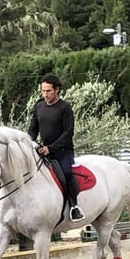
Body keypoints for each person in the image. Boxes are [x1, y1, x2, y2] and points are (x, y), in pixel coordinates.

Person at [27, 73, 85, 222]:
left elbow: (68, 133)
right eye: (43, 91)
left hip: (63, 151)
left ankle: (74, 207)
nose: (45, 94)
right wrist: (29, 142)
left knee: (67, 173)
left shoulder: (65, 108)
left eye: (49, 91)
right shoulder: (39, 106)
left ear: (57, 90)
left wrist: (51, 148)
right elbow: (33, 129)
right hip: (43, 150)